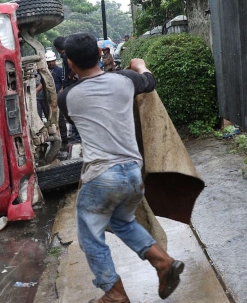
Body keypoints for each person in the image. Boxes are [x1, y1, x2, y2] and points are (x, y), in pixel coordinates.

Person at [58, 32, 184, 302]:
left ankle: (114, 294)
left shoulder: (67, 98)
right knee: (122, 221)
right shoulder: (126, 81)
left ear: (69, 62)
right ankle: (162, 262)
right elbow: (149, 81)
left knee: (90, 237)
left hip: (102, 176)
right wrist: (138, 65)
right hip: (133, 174)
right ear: (98, 52)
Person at [54, 36, 79, 146]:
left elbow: (70, 69)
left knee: (73, 109)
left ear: (57, 47)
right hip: (70, 83)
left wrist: (69, 78)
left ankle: (77, 135)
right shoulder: (68, 54)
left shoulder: (65, 56)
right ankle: (75, 133)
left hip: (70, 84)